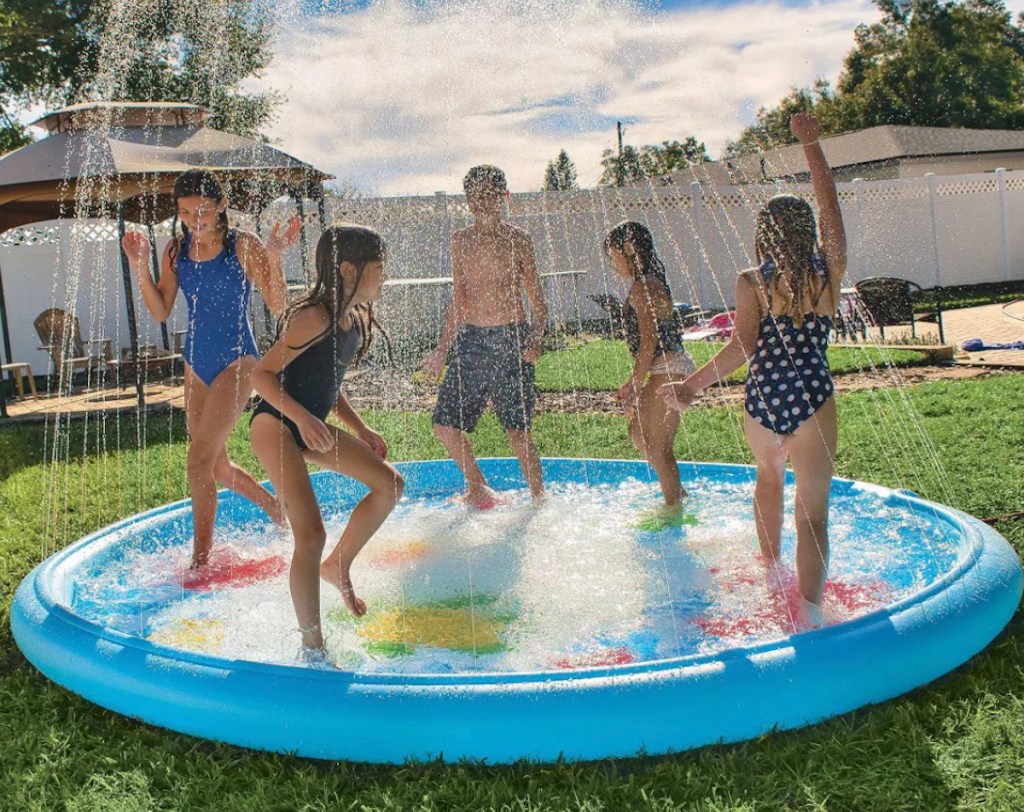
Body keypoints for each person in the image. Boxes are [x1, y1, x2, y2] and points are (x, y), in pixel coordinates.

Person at [660, 113, 847, 626]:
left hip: (763, 397)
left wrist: (692, 385)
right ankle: (808, 613)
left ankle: (769, 575)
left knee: (767, 478)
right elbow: (830, 210)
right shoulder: (825, 273)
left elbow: (742, 348)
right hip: (811, 395)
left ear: (762, 235)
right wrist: (811, 146)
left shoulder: (751, 281)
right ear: (808, 233)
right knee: (812, 515)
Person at [121, 169, 295, 568]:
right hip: (195, 363)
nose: (193, 218)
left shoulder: (242, 245)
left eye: (202, 209)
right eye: (184, 211)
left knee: (197, 462)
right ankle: (275, 507)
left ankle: (200, 559)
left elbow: (278, 303)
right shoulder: (176, 250)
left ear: (220, 207)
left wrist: (274, 256)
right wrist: (139, 265)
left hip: (237, 360)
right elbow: (162, 310)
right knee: (215, 463)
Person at [249, 225, 404, 658]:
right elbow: (260, 375)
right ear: (348, 268)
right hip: (276, 422)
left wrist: (358, 427)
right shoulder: (311, 317)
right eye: (379, 268)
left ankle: (338, 565)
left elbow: (327, 383)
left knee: (390, 486)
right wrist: (299, 416)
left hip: (310, 423)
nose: (384, 277)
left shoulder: (355, 317)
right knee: (310, 534)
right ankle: (312, 647)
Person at [421, 165, 548, 508]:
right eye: (475, 195)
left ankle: (539, 502)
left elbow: (538, 300)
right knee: (445, 425)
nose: (483, 201)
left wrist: (536, 339)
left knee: (517, 432)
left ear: (504, 197)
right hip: (474, 340)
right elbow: (460, 298)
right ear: (467, 200)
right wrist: (441, 349)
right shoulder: (460, 241)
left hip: (512, 340)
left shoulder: (518, 239)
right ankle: (478, 487)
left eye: (490, 194)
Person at [604, 221, 695, 515]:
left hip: (667, 367)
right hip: (664, 367)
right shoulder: (646, 283)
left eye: (612, 254)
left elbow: (649, 340)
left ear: (627, 251)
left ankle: (674, 509)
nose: (611, 262)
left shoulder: (645, 288)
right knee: (639, 434)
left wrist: (634, 381)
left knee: (657, 444)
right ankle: (677, 493)